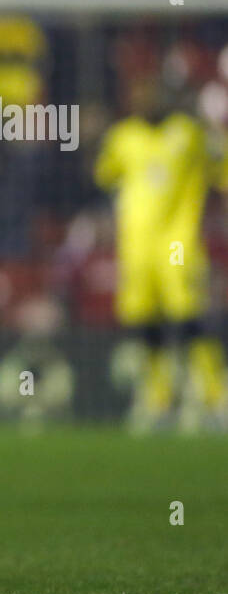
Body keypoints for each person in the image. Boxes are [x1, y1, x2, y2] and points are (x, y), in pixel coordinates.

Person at [94, 76, 228, 432]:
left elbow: (220, 170)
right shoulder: (123, 137)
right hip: (136, 246)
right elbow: (104, 175)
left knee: (189, 316)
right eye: (136, 92)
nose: (143, 97)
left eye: (149, 90)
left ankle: (215, 396)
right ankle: (158, 400)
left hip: (176, 244)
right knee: (143, 322)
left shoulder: (187, 132)